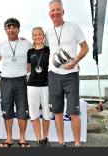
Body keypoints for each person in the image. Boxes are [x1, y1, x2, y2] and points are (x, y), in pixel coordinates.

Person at [45, 0, 89, 147]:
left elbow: (85, 48)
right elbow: (42, 48)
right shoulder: (48, 32)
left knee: (73, 112)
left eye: (58, 10)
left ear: (63, 12)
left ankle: (77, 144)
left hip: (71, 75)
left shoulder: (73, 27)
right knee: (57, 112)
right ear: (49, 14)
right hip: (53, 75)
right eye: (53, 10)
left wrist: (76, 61)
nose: (55, 12)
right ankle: (61, 142)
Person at [0, 17, 32, 147]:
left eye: (14, 27)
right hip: (5, 80)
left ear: (18, 29)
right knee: (7, 109)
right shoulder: (1, 45)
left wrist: (26, 70)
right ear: (5, 30)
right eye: (9, 27)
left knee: (23, 109)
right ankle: (9, 138)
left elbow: (35, 58)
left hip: (21, 80)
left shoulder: (27, 43)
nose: (11, 30)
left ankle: (22, 138)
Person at [27, 27, 51, 147]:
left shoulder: (49, 50)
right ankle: (39, 139)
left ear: (43, 36)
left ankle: (45, 139)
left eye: (40, 34)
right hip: (32, 85)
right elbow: (28, 68)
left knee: (47, 113)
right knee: (34, 113)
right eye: (35, 35)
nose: (38, 37)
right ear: (32, 37)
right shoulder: (30, 52)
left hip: (47, 85)